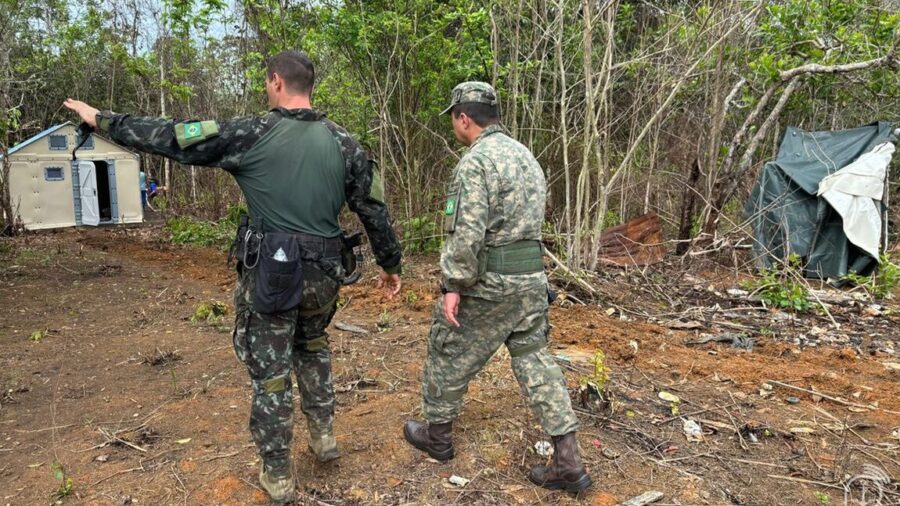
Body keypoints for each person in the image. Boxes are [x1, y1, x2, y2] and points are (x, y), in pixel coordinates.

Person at [64, 50, 403, 503]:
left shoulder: (251, 133)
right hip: (325, 272)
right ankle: (324, 438)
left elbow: (170, 137)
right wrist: (390, 264)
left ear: (277, 82)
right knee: (314, 345)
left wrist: (101, 119)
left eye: (268, 83)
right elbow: (374, 210)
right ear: (311, 86)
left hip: (273, 274)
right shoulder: (346, 143)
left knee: (272, 374)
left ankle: (279, 475)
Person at [402, 81, 591, 492]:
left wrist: (453, 283)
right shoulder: (527, 158)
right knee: (535, 360)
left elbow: (467, 232)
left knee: (447, 346)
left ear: (463, 118)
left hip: (492, 281)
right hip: (531, 280)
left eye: (454, 119)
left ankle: (437, 437)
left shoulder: (476, 163)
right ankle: (568, 458)